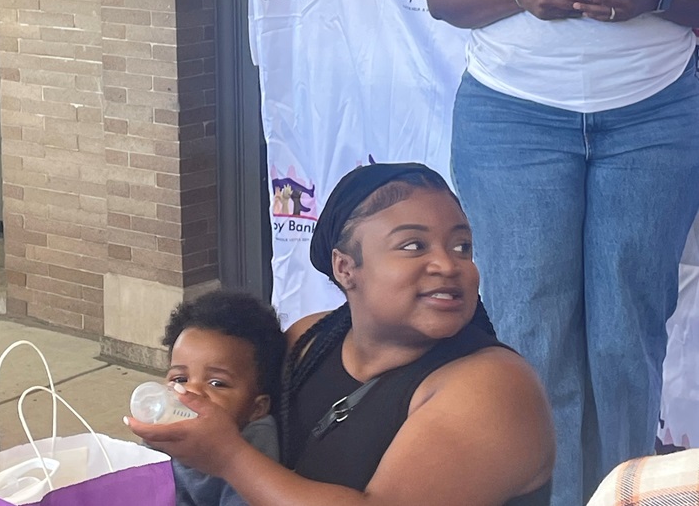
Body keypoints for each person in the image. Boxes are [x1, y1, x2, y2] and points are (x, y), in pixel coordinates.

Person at [423, 0, 699, 506]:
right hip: (515, 117)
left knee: (626, 331)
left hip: (652, 116)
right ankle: (541, 494)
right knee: (533, 325)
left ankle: (618, 494)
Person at [128, 163, 555, 506]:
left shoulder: (493, 388)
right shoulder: (307, 340)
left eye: (462, 247)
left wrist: (227, 457)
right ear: (345, 268)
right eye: (414, 246)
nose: (449, 264)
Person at [160, 290, 286, 506]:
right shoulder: (164, 430)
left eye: (217, 383)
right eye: (180, 379)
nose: (192, 392)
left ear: (257, 408)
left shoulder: (255, 447)